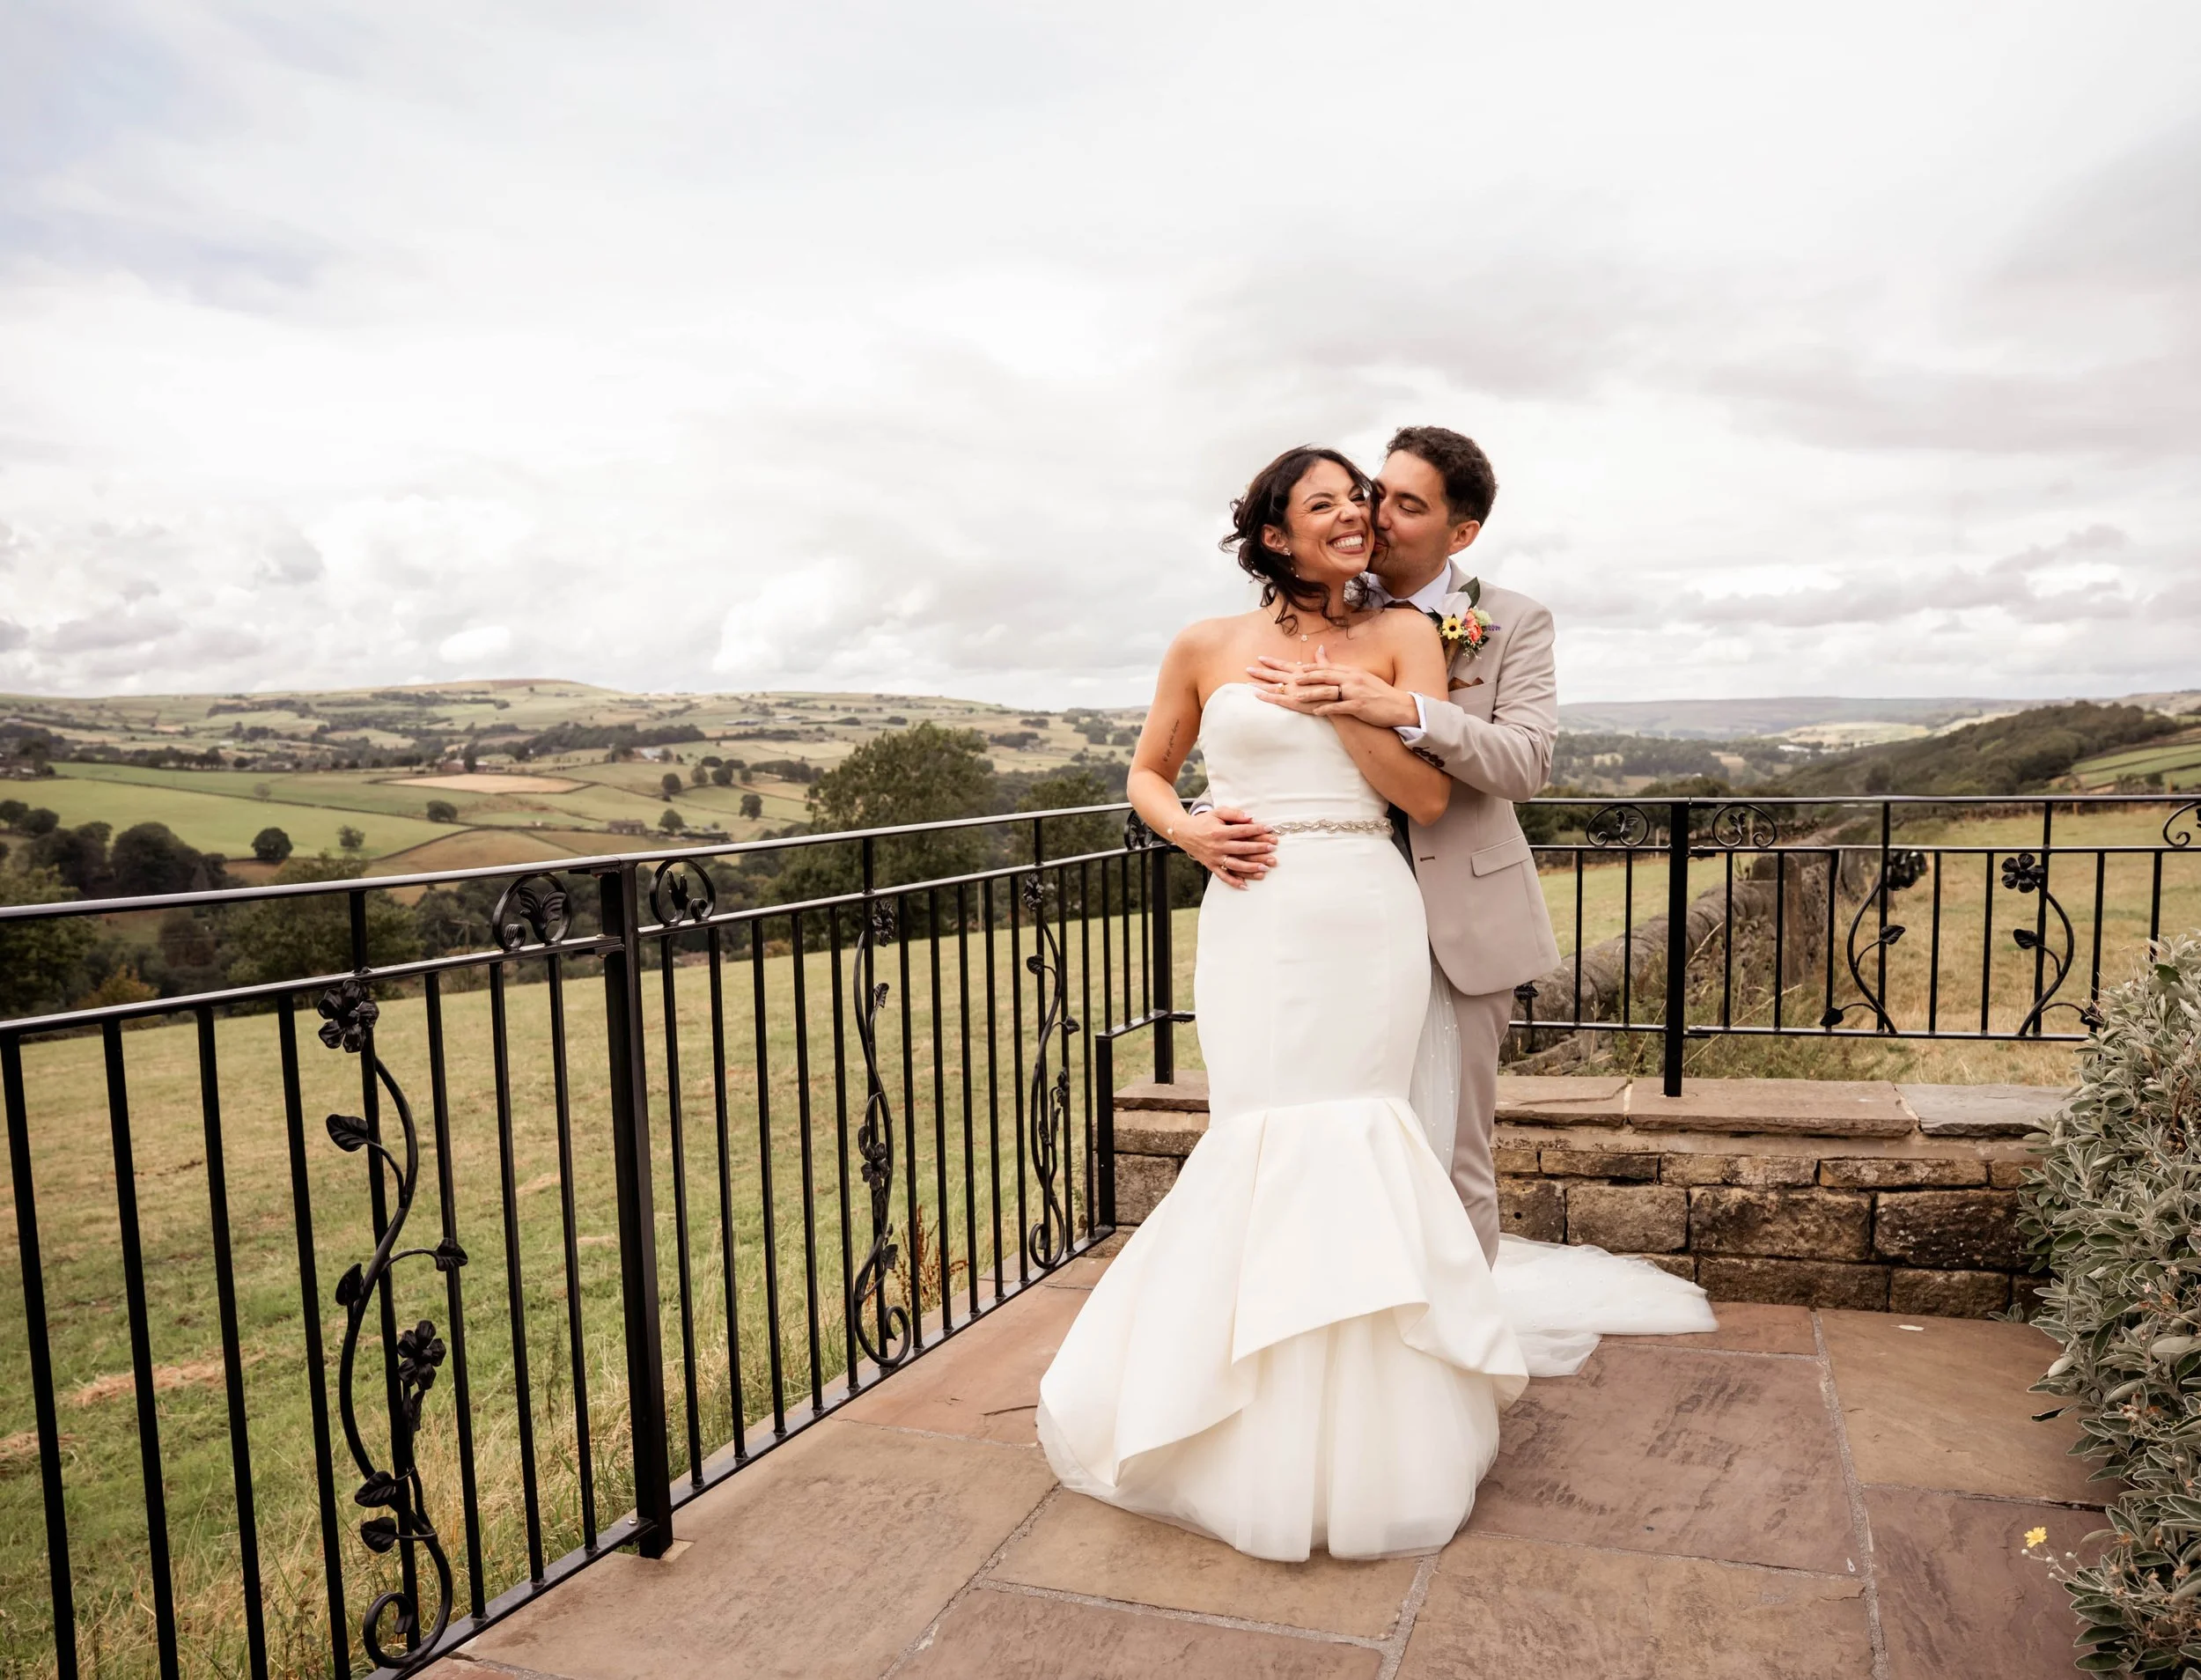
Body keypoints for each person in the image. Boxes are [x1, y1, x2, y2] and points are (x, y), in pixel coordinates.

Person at [1034, 445, 1710, 1563]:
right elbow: (1148, 772)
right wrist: (1190, 829)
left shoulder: (1402, 639)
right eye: (1330, 502)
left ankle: (1383, 1425)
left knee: (1370, 1141)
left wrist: (1345, 702)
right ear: (1271, 537)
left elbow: (1425, 791)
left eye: (1367, 499)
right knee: (1254, 1138)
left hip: (1367, 912)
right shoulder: (1201, 645)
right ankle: (1221, 1405)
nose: (1357, 514)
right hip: (1253, 916)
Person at [1248, 425, 1556, 1262]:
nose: (1375, 515)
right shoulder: (1325, 594)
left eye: (1406, 505)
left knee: (1454, 1154)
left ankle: (1466, 1365)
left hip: (1460, 914)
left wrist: (1408, 711)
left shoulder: (1512, 622)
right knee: (1341, 1135)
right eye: (1376, 490)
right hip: (1338, 919)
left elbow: (1527, 763)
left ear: (1463, 535)